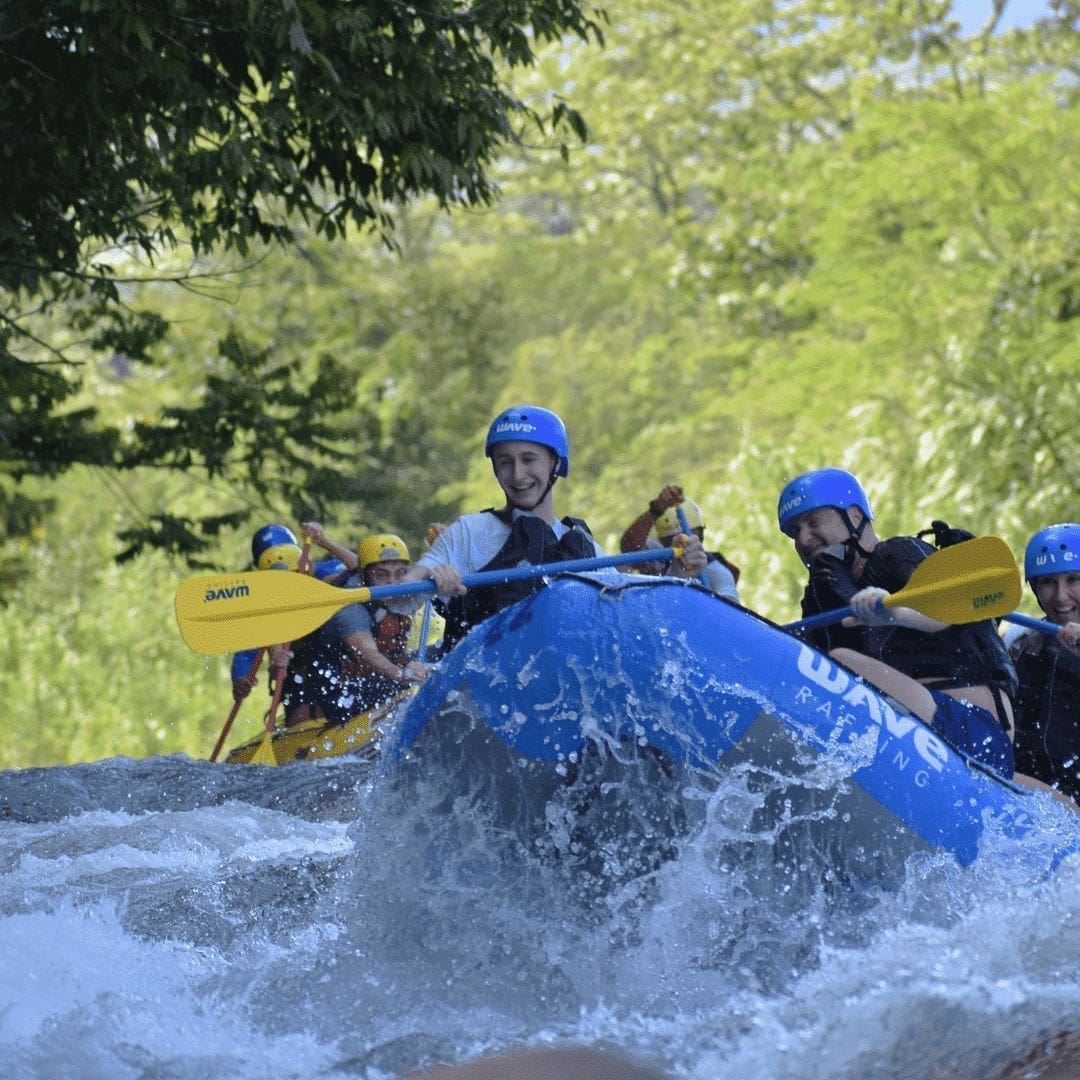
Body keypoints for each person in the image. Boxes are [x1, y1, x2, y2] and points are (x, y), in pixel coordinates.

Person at [777, 467, 1017, 776]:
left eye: (813, 522)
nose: (804, 538)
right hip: (914, 731)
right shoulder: (820, 598)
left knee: (839, 661)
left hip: (975, 731)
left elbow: (939, 616)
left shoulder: (897, 553)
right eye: (795, 531)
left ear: (853, 515)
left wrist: (892, 613)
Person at [404, 405, 708, 649]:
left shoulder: (582, 546)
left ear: (555, 464)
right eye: (505, 462)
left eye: (529, 459)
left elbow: (630, 619)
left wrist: (679, 575)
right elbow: (397, 599)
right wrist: (430, 578)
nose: (518, 475)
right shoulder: (469, 532)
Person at [308, 533, 432, 723]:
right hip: (342, 694)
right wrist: (401, 674)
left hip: (380, 675)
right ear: (364, 577)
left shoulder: (398, 589)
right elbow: (367, 651)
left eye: (400, 573)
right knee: (401, 684)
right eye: (382, 575)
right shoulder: (351, 608)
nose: (392, 582)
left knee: (439, 657)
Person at [1009, 524, 1080, 801]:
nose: (1060, 597)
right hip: (1032, 794)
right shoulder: (1021, 642)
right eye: (1048, 582)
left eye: (1073, 579)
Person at [620, 486, 740, 602]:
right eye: (672, 541)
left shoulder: (716, 572)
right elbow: (629, 548)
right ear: (663, 542)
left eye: (690, 538)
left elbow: (732, 609)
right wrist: (655, 509)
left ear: (700, 538)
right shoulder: (660, 556)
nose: (683, 545)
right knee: (622, 567)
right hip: (654, 607)